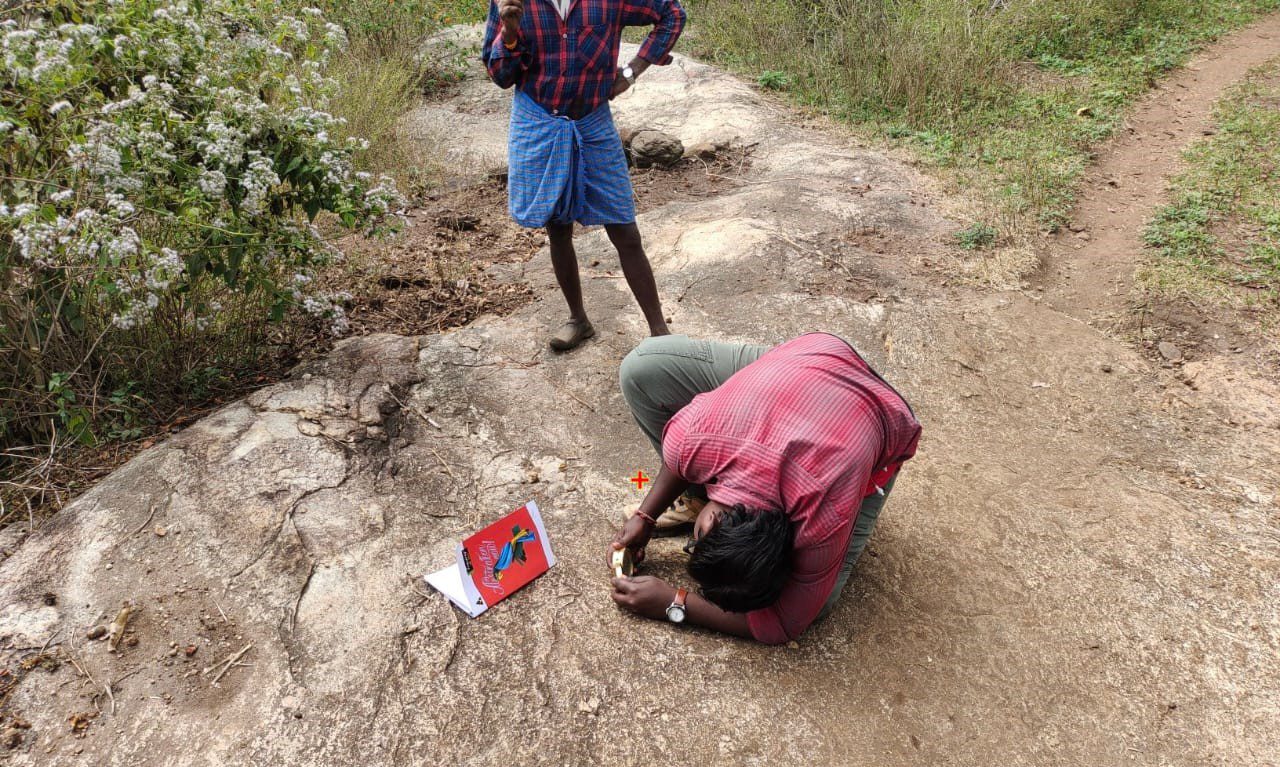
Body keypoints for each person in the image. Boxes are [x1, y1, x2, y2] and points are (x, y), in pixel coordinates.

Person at [607, 333, 922, 644]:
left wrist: (675, 603)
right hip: (802, 358)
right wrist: (645, 516)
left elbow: (785, 624)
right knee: (639, 369)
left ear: (791, 538)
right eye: (698, 539)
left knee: (818, 604)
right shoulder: (695, 437)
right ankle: (697, 494)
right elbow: (677, 461)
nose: (693, 540)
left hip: (876, 409)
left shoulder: (827, 513)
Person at [481, 0, 686, 351]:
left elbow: (672, 14)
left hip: (592, 118)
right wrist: (511, 33)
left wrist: (631, 72)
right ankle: (579, 319)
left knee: (624, 227)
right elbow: (501, 76)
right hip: (539, 118)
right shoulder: (513, 3)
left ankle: (660, 335)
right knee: (558, 226)